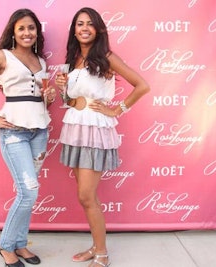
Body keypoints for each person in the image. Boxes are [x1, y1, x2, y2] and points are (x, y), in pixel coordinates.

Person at [55, 7, 150, 267]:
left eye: (89, 24)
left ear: (98, 29)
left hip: (96, 129)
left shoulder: (106, 56)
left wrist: (116, 109)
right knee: (87, 197)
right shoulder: (73, 59)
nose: (84, 28)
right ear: (74, 30)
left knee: (87, 196)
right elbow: (72, 101)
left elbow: (142, 85)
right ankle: (96, 246)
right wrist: (64, 91)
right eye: (79, 24)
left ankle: (103, 255)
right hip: (74, 127)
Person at [0, 8, 56, 267]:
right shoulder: (2, 56)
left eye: (31, 28)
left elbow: (40, 100)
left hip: (39, 131)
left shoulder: (42, 61)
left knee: (29, 191)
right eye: (22, 28)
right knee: (28, 192)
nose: (27, 33)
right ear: (13, 32)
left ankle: (20, 243)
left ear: (36, 32)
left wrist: (48, 99)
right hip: (13, 132)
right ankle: (6, 245)